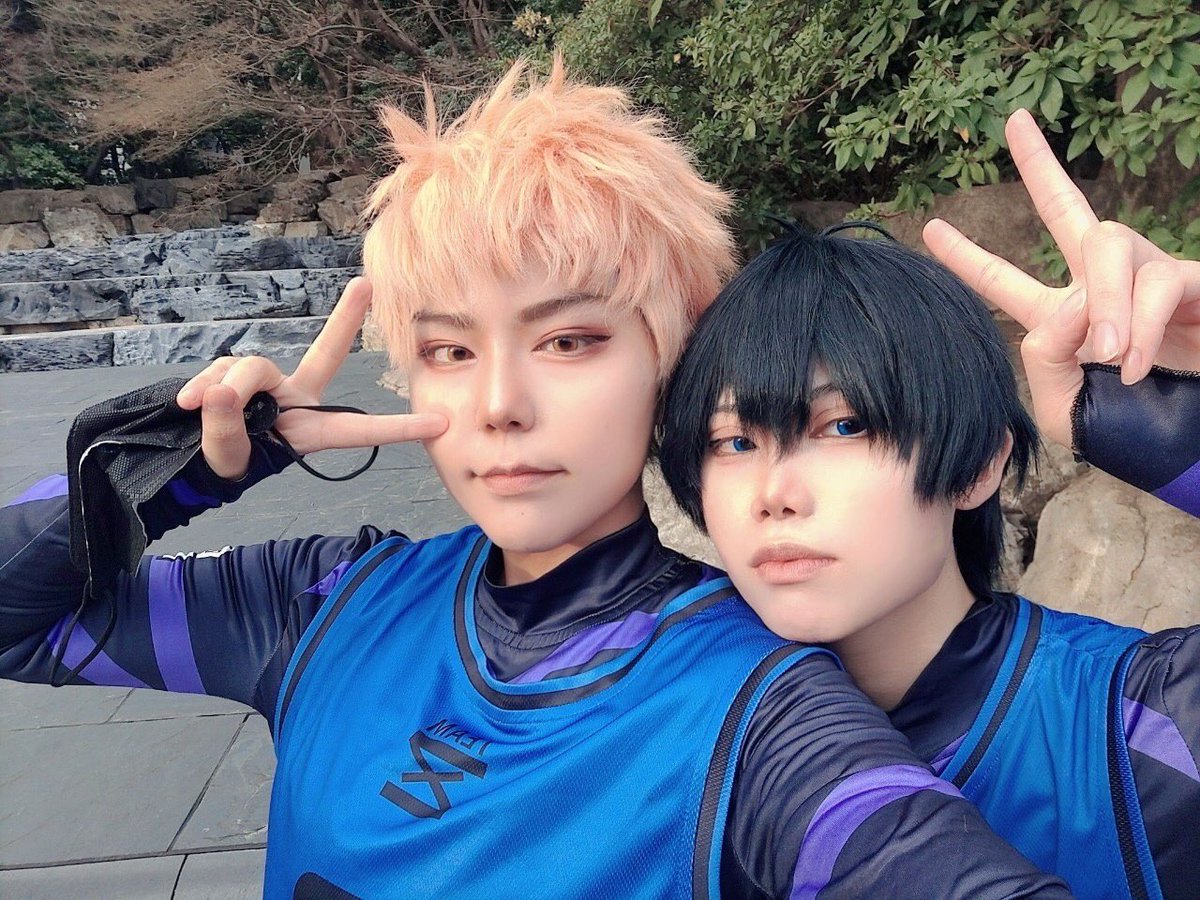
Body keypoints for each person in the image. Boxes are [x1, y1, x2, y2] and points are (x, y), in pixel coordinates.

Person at [0, 63, 1069, 898]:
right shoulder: (324, 606)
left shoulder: (759, 711)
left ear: (673, 358)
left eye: (568, 341)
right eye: (451, 350)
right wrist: (172, 470)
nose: (501, 403)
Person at [658, 108, 1200, 898]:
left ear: (976, 464)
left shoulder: (1134, 725)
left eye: (843, 426)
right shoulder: (672, 738)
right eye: (733, 442)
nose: (773, 494)